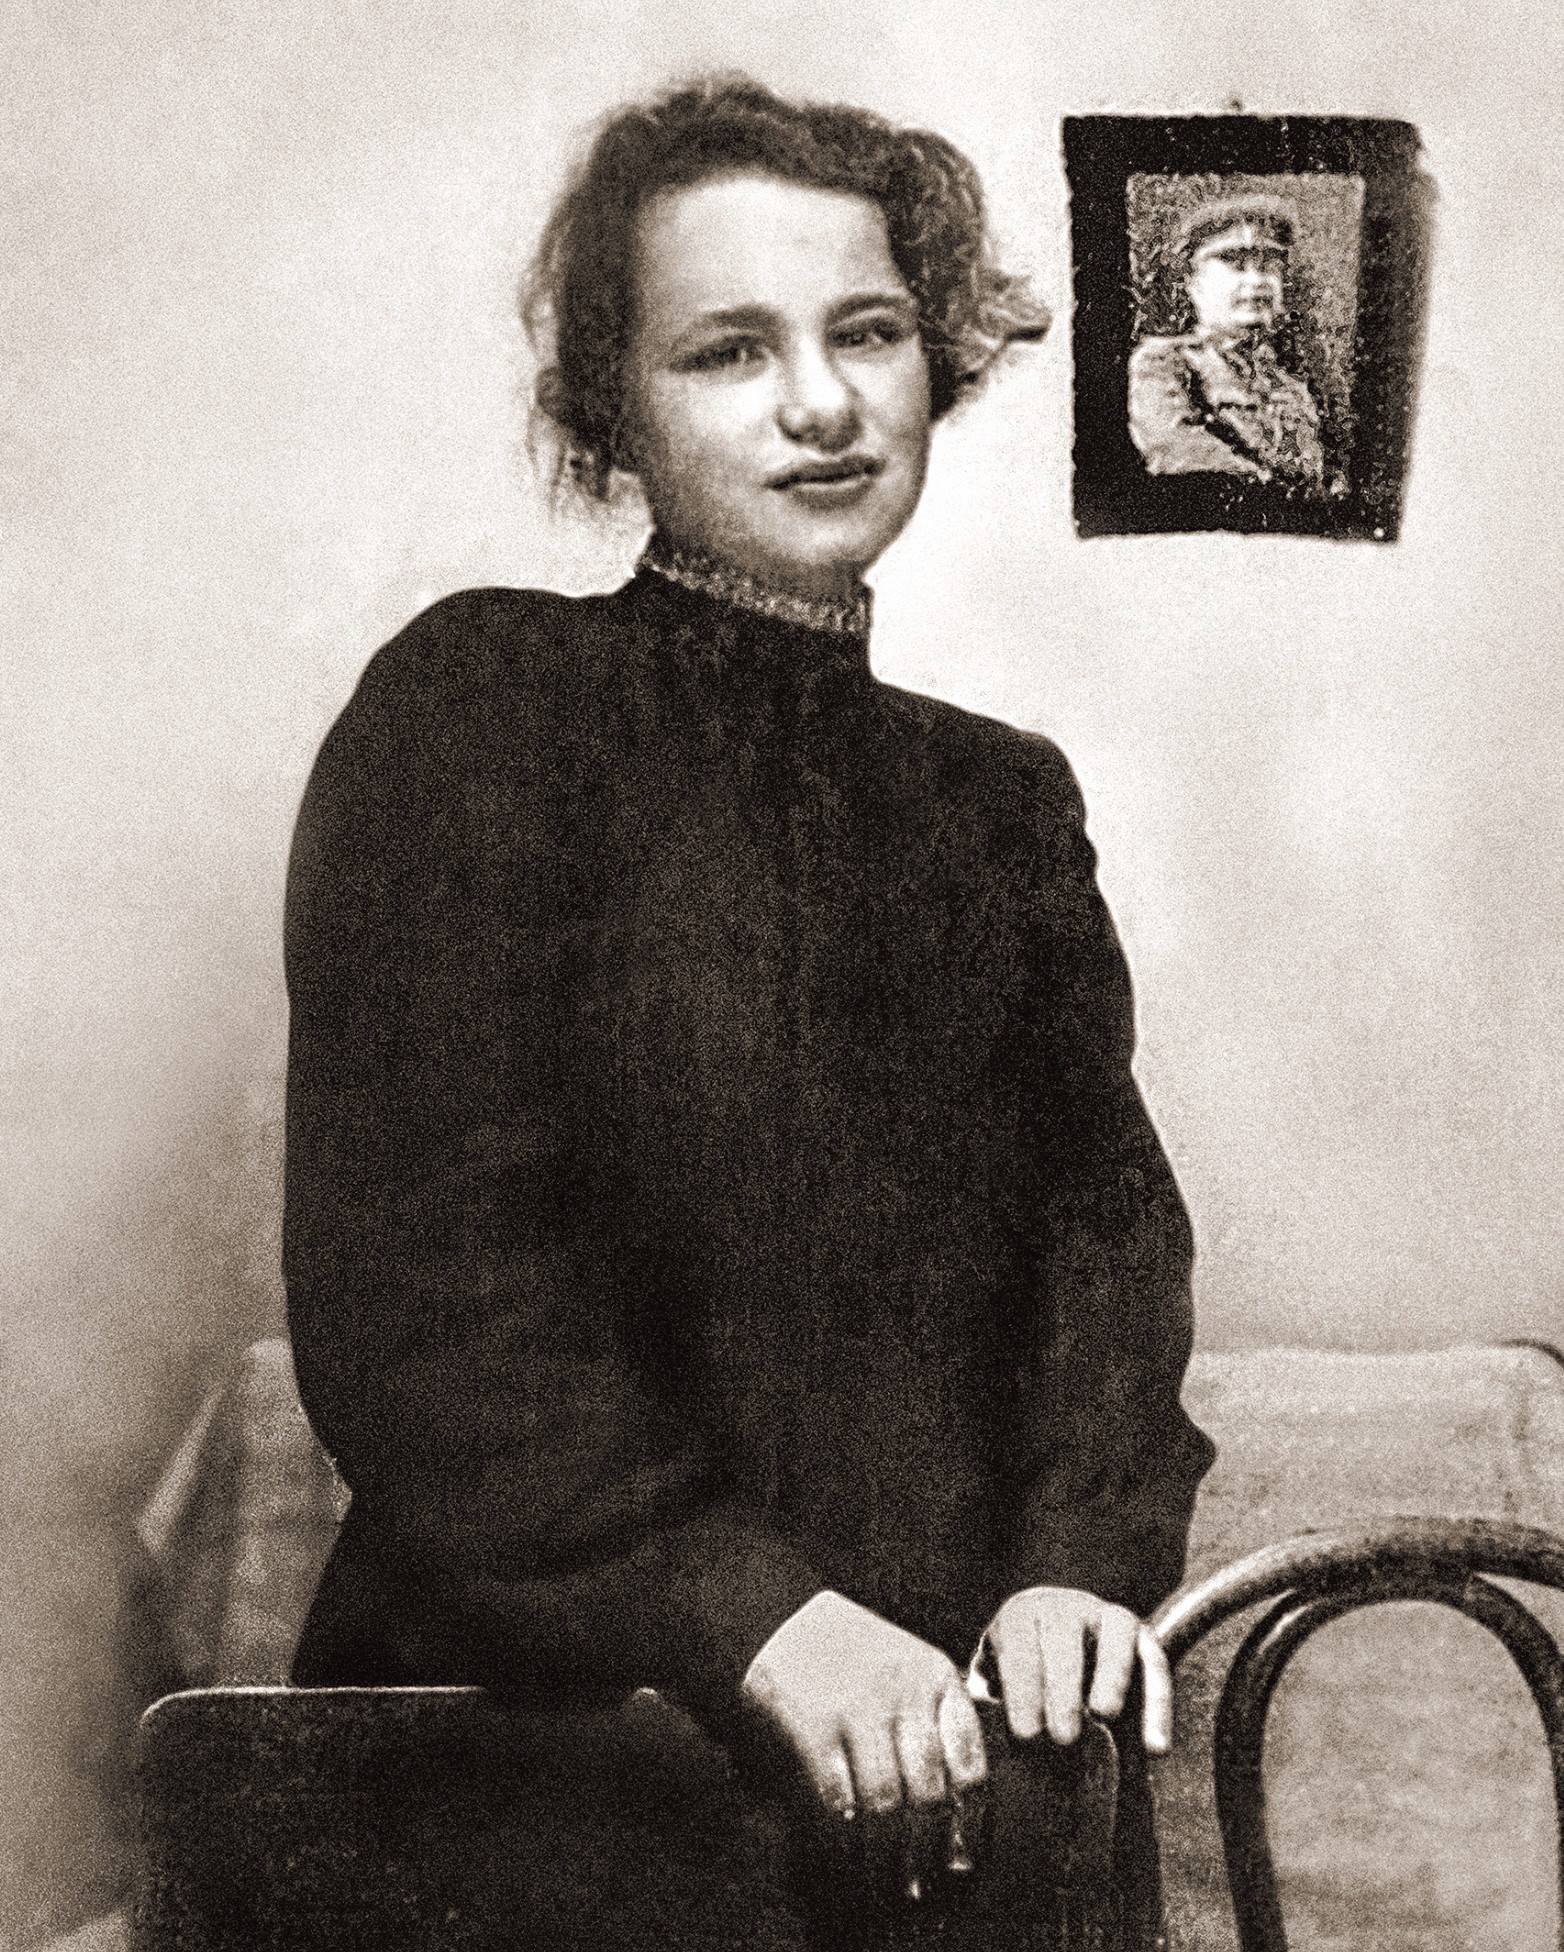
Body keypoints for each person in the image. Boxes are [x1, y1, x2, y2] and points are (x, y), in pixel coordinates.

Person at [282, 76, 1215, 1948]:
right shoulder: (479, 706)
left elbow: (1101, 1241)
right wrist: (756, 1619)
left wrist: (1072, 1565)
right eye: (728, 351)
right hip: (545, 1755)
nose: (821, 404)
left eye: (866, 332)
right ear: (612, 407)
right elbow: (423, 1296)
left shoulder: (997, 798)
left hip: (947, 1763)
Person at [1128, 193, 1326, 490]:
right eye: (1236, 265)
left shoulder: (1292, 388)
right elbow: (1182, 455)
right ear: (1194, 284)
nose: (1257, 281)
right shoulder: (1165, 363)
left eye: (1268, 266)